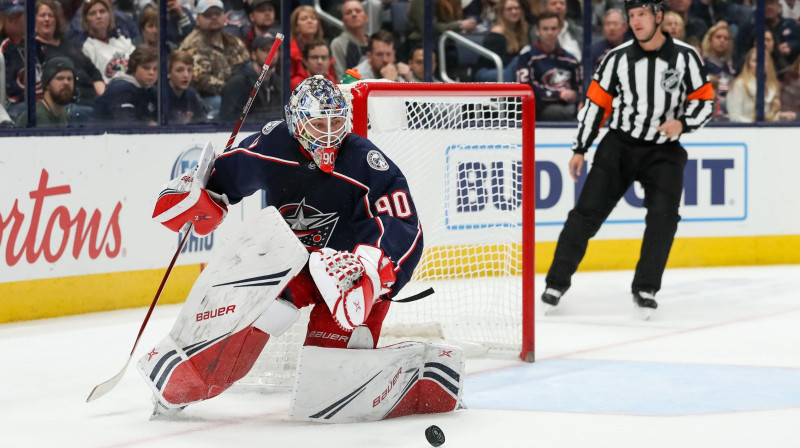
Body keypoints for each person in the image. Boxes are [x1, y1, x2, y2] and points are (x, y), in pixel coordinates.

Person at [140, 76, 458, 422]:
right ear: (296, 121)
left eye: (336, 122)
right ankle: (187, 380)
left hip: (349, 277)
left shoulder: (365, 161)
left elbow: (405, 227)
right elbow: (223, 177)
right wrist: (199, 195)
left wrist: (371, 274)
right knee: (253, 316)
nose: (328, 133)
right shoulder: (273, 145)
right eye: (318, 123)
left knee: (326, 394)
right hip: (294, 265)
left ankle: (418, 374)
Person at [541, 0, 714, 317]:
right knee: (585, 214)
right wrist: (581, 147)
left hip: (664, 150)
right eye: (631, 16)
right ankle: (556, 281)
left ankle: (646, 287)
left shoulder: (686, 57)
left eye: (642, 15)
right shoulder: (616, 59)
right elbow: (596, 106)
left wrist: (683, 123)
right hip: (619, 145)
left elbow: (704, 103)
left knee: (664, 219)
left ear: (658, 16)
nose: (635, 22)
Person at [179, 0, 249, 118]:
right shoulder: (191, 45)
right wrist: (232, 89)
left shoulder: (234, 42)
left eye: (217, 13)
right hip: (207, 99)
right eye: (208, 15)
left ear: (224, 16)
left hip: (236, 94)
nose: (214, 17)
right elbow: (200, 79)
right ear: (198, 19)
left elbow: (246, 66)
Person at [35, 0, 106, 117]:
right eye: (42, 15)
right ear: (34, 20)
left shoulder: (67, 43)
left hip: (91, 100)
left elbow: (93, 72)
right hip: (68, 105)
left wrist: (103, 99)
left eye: (51, 15)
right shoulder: (34, 48)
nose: (47, 19)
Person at [516, 11, 581, 121]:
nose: (550, 32)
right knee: (562, 113)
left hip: (569, 105)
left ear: (559, 30)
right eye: (545, 29)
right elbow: (525, 89)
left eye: (553, 28)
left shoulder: (570, 59)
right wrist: (557, 94)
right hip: (539, 107)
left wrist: (580, 99)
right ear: (537, 31)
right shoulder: (527, 57)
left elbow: (580, 85)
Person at [220, 34, 282, 122]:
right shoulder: (238, 82)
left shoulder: (278, 83)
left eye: (275, 50)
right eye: (265, 50)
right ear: (253, 55)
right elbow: (228, 118)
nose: (271, 54)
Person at [93, 45, 158, 125]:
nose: (151, 73)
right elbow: (126, 125)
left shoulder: (151, 89)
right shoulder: (121, 89)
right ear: (134, 67)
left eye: (156, 69)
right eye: (146, 68)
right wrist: (149, 125)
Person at [726, 48, 793, 122]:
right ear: (748, 64)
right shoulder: (739, 85)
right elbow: (734, 117)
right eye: (755, 61)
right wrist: (755, 124)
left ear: (769, 63)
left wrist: (779, 116)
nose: (759, 64)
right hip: (745, 131)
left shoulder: (773, 85)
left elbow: (767, 116)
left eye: (763, 60)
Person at [80, 0, 136, 83]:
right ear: (86, 19)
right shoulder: (87, 47)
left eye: (102, 11)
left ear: (110, 15)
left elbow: (139, 63)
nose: (98, 16)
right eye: (92, 13)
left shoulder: (122, 40)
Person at [475, 0, 530, 82]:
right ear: (502, 12)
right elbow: (493, 61)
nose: (514, 11)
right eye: (509, 9)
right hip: (489, 70)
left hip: (513, 69)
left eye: (517, 8)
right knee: (517, 64)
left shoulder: (524, 30)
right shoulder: (497, 32)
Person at [15, 56, 75, 127]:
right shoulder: (38, 116)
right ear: (47, 84)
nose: (66, 82)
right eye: (60, 78)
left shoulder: (63, 114)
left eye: (69, 78)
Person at [701, 22, 736, 121]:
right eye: (718, 37)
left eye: (726, 38)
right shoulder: (701, 63)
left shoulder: (731, 65)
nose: (722, 41)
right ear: (710, 40)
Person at [330, 0, 369, 81]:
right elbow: (341, 78)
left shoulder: (374, 42)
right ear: (343, 21)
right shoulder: (337, 44)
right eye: (348, 12)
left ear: (366, 18)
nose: (354, 14)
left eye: (358, 11)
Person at [166, 50, 209, 124]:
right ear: (168, 73)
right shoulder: (159, 95)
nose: (186, 75)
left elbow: (203, 122)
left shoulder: (192, 94)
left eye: (189, 70)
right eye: (179, 70)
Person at [1, 1, 25, 122]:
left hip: (37, 103)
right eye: (12, 17)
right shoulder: (3, 48)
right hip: (13, 106)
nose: (17, 21)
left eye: (20, 15)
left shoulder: (34, 44)